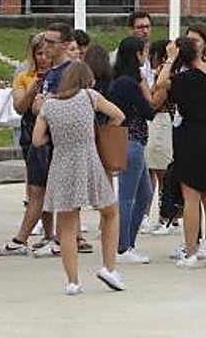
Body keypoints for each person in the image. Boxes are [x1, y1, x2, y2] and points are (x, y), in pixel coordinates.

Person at [33, 61, 126, 294]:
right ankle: (109, 267)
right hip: (88, 159)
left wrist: (53, 139)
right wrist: (99, 133)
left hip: (61, 163)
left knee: (66, 226)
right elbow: (118, 116)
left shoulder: (49, 105)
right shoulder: (89, 96)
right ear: (87, 79)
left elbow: (36, 140)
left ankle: (72, 282)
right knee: (110, 211)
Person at [152, 38, 206, 269]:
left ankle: (192, 252)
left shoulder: (183, 79)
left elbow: (160, 83)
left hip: (190, 135)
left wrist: (170, 59)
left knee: (191, 196)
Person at [0, 32, 55, 257]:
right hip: (32, 133)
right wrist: (35, 86)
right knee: (38, 186)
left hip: (54, 134)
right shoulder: (24, 76)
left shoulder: (61, 75)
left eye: (46, 52)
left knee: (42, 189)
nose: (43, 58)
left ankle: (23, 238)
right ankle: (48, 233)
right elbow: (20, 106)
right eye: (39, 53)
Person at [108, 37, 155, 265]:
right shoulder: (128, 83)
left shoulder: (121, 80)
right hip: (130, 141)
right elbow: (149, 110)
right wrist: (145, 85)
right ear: (137, 54)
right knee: (127, 197)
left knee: (144, 194)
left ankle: (129, 242)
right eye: (144, 52)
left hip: (135, 142)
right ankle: (122, 246)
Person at [144, 39, 177, 235]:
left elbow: (155, 102)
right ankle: (153, 215)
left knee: (162, 171)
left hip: (161, 122)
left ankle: (167, 216)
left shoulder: (165, 76)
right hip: (159, 123)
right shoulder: (158, 75)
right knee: (152, 170)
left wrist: (144, 92)